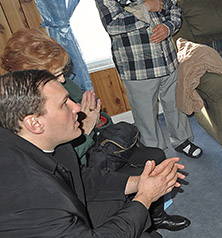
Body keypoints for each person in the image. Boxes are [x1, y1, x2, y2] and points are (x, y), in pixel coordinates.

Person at [0, 28, 191, 231]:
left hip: (88, 156)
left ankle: (155, 216)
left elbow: (81, 168)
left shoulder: (60, 90)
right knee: (124, 202)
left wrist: (142, 185)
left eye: (62, 72)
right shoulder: (38, 197)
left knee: (154, 156)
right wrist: (144, 195)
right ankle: (143, 217)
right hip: (85, 157)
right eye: (56, 75)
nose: (64, 80)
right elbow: (72, 168)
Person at [94, 0, 202, 158]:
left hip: (167, 59)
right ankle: (156, 153)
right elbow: (112, 24)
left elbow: (175, 10)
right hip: (138, 66)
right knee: (146, 116)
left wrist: (168, 28)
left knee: (175, 106)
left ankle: (182, 140)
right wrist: (146, 8)